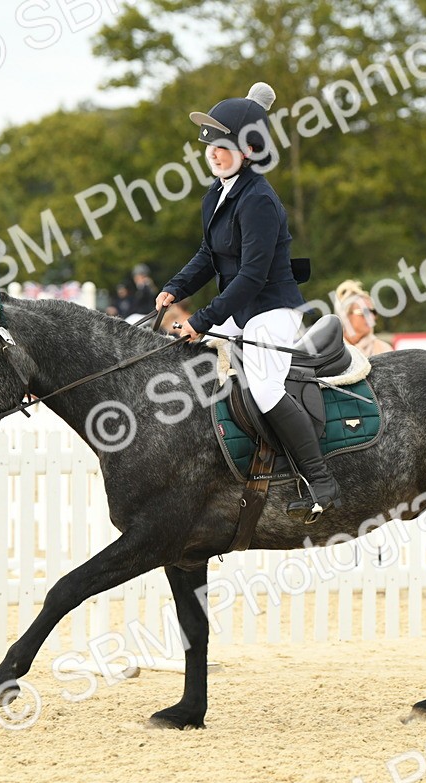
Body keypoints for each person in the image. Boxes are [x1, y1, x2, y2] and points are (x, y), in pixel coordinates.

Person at [156, 81, 340, 519]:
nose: (213, 153)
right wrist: (175, 288)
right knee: (191, 360)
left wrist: (203, 317)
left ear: (249, 149)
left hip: (271, 310)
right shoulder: (216, 196)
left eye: (223, 146)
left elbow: (253, 276)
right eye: (210, 147)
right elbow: (208, 255)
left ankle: (321, 480)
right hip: (239, 311)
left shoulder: (258, 199)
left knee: (264, 387)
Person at [334, 280, 392, 356]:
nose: (371, 317)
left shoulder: (384, 350)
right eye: (364, 312)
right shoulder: (331, 350)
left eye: (373, 312)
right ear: (346, 316)